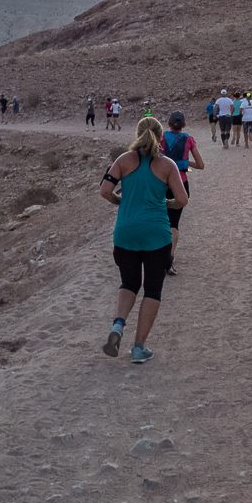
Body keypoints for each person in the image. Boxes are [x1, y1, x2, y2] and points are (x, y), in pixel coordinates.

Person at [99, 117, 187, 364]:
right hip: (156, 235)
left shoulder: (122, 161)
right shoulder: (167, 165)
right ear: (161, 137)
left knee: (128, 283)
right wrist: (165, 203)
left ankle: (118, 326)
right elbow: (183, 200)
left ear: (137, 134)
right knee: (153, 289)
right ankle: (138, 348)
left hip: (125, 232)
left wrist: (122, 202)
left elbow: (105, 191)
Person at [158, 111, 204, 276]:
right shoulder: (189, 140)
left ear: (168, 124)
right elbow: (200, 165)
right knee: (173, 223)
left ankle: (154, 255)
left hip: (160, 182)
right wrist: (183, 162)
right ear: (184, 125)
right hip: (180, 183)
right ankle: (169, 258)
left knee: (158, 219)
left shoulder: (161, 138)